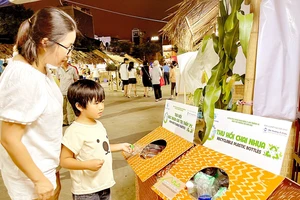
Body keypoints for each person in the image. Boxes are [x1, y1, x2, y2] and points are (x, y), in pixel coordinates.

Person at [0, 7, 77, 200]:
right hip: (31, 182)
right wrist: (39, 180)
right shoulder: (24, 78)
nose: (70, 53)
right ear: (45, 42)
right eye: (68, 46)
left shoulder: (40, 67)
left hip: (45, 169)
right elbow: (8, 137)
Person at [60, 79, 133, 200]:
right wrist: (86, 165)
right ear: (79, 106)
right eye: (96, 103)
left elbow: (100, 147)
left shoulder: (98, 125)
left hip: (104, 185)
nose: (101, 107)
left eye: (102, 102)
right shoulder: (75, 131)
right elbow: (64, 160)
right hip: (86, 191)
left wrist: (120, 146)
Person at [57, 57, 79, 126]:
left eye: (64, 61)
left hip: (70, 92)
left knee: (70, 107)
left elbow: (76, 79)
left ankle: (71, 121)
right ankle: (64, 121)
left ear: (67, 61)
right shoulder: (58, 69)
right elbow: (58, 79)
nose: (63, 62)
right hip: (62, 91)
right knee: (63, 107)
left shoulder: (72, 69)